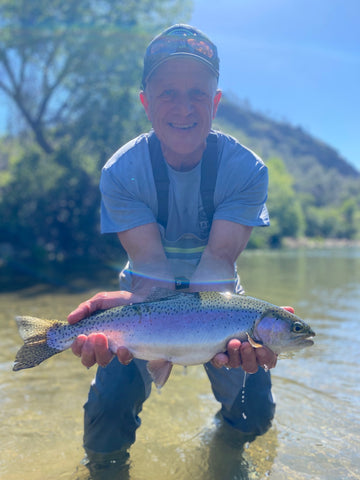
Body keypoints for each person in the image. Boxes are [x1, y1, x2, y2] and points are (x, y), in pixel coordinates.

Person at [67, 24, 285, 472]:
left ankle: (224, 445)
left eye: (197, 94)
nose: (183, 107)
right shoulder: (122, 171)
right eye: (167, 93)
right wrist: (135, 320)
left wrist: (236, 330)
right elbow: (151, 270)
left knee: (253, 420)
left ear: (216, 102)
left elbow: (217, 265)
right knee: (105, 426)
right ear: (146, 102)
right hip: (146, 300)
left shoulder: (246, 171)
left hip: (218, 301)